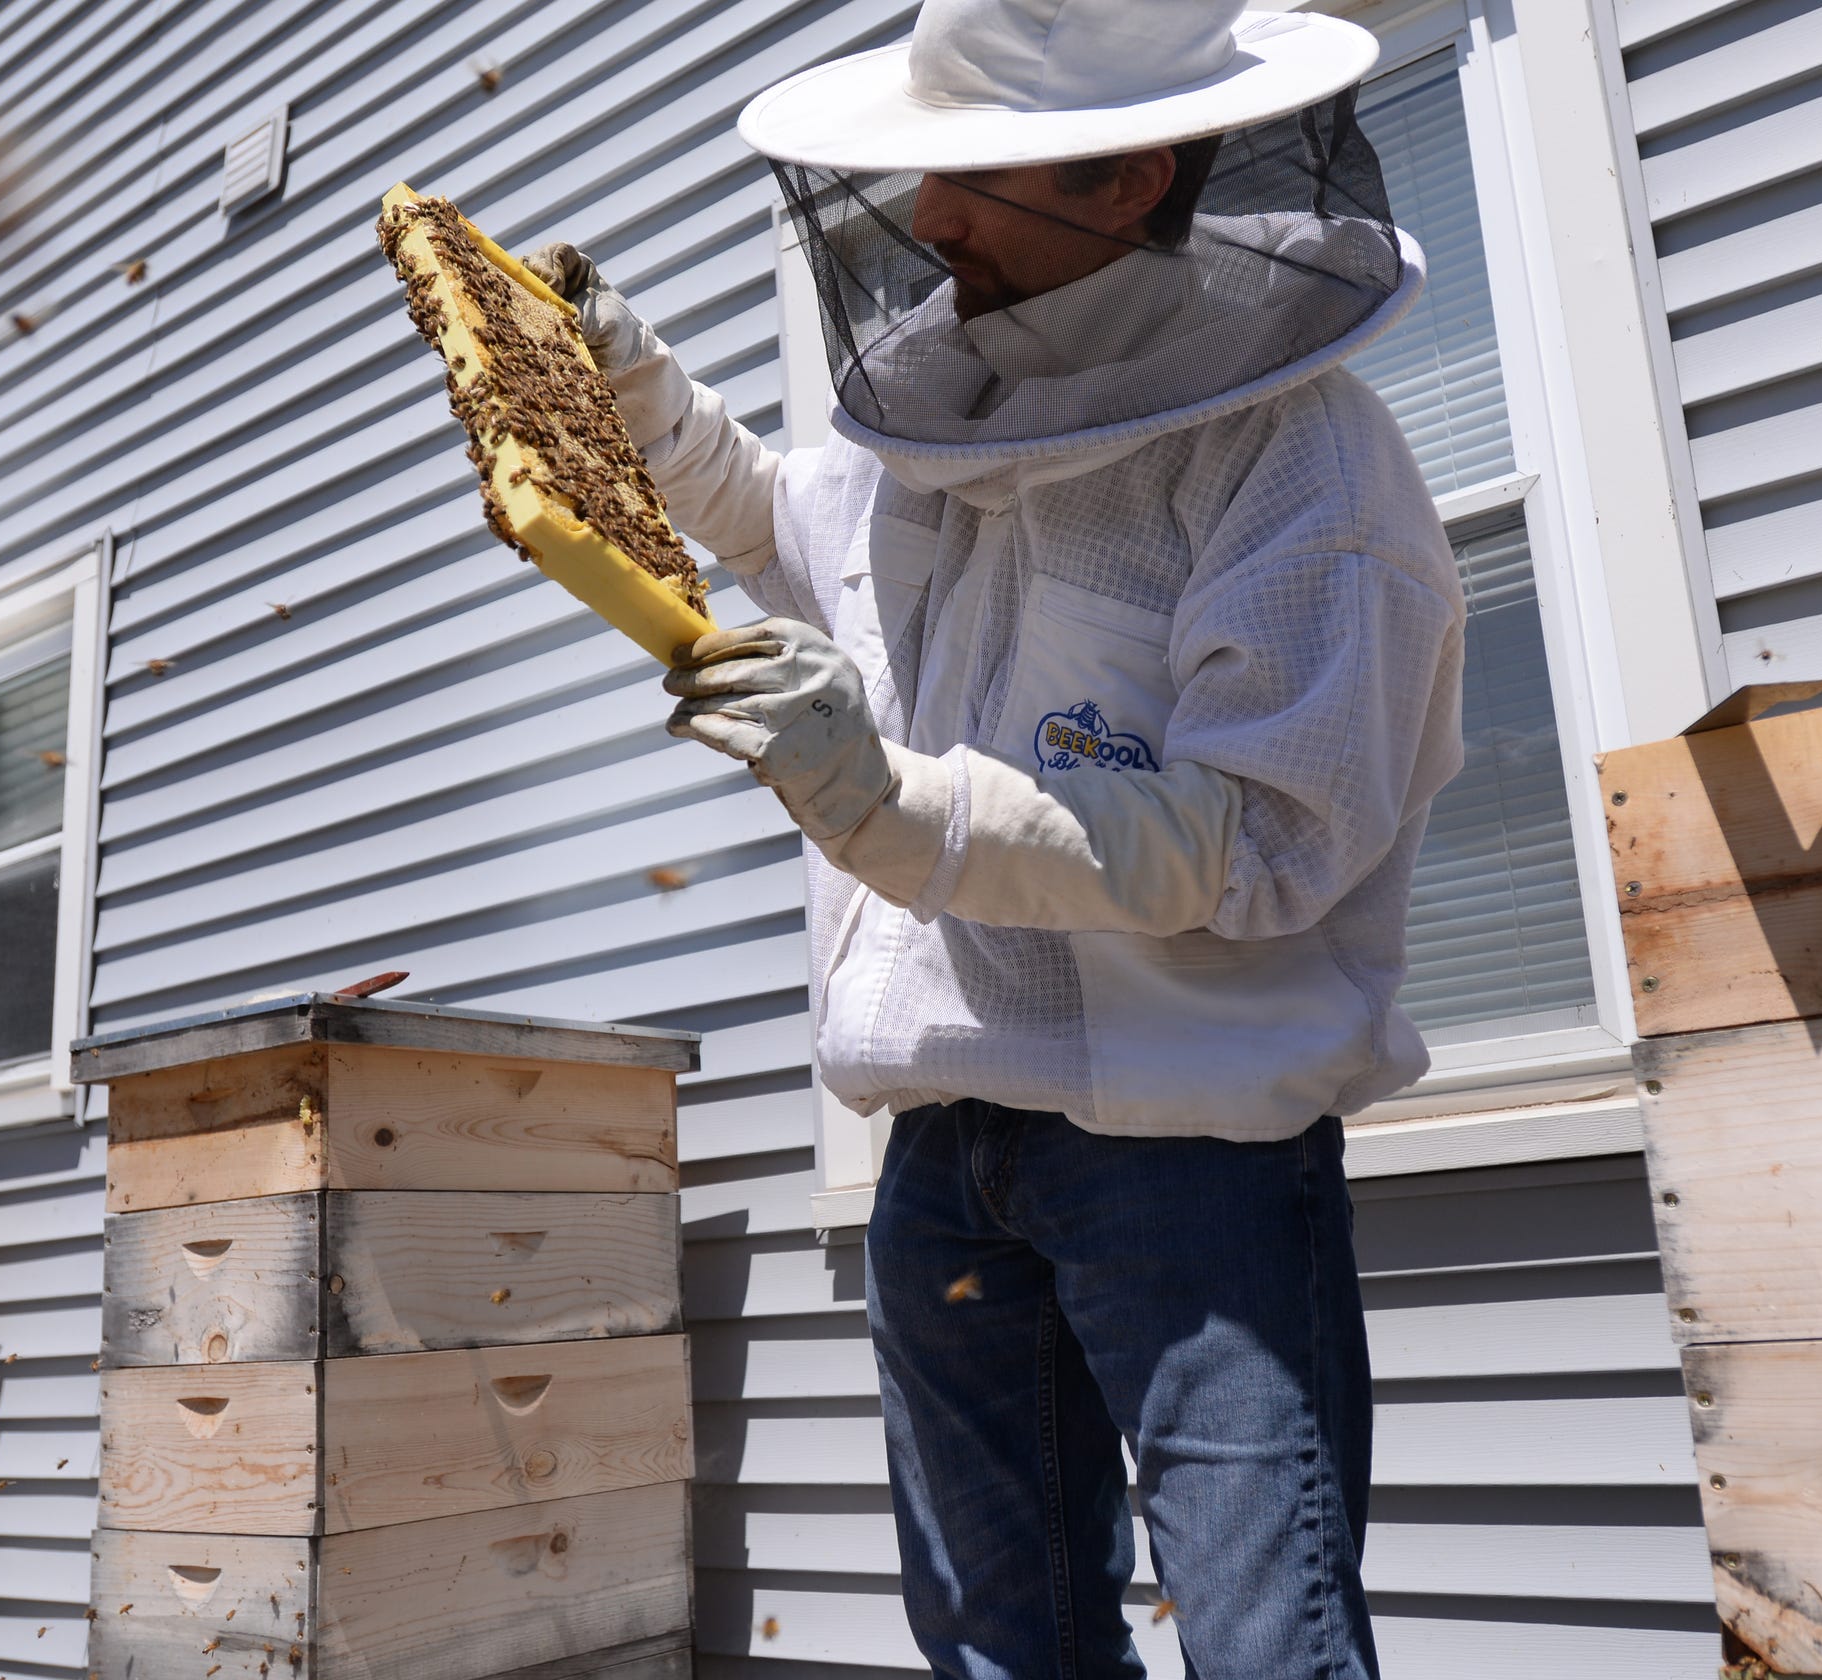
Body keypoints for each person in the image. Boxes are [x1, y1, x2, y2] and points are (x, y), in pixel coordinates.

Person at [529, 2, 1462, 1672]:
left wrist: (893, 805)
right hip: (941, 1160)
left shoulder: (1298, 462)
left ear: (1129, 180)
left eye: (974, 176)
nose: (928, 220)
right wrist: (629, 381)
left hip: (1193, 1159)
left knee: (1266, 1644)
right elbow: (768, 522)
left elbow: (1255, 841)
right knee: (997, 1647)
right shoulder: (948, 414)